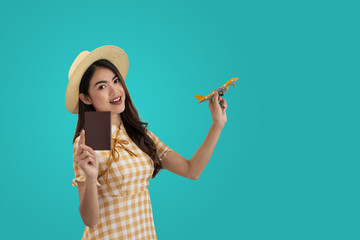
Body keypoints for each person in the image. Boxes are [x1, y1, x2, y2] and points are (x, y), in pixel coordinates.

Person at [65, 45, 228, 239]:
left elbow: (191, 170)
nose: (114, 90)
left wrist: (217, 124)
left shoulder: (137, 134)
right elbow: (90, 221)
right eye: (102, 86)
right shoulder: (91, 139)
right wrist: (91, 178)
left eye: (116, 81)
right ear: (86, 97)